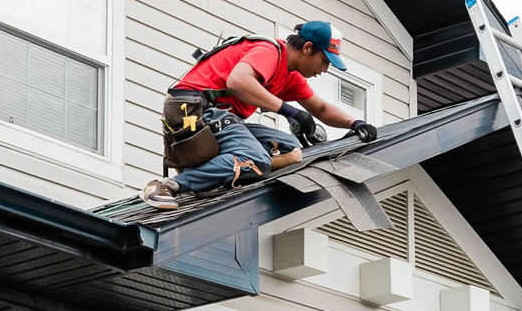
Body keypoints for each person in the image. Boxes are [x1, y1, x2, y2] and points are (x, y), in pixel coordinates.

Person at [143, 21, 377, 210]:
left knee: (291, 149)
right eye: (324, 61)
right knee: (257, 159)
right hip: (194, 109)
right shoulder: (270, 52)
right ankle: (169, 186)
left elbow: (321, 108)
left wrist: (356, 123)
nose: (324, 69)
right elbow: (237, 82)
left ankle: (218, 174)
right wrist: (289, 111)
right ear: (307, 48)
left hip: (222, 119)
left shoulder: (290, 75)